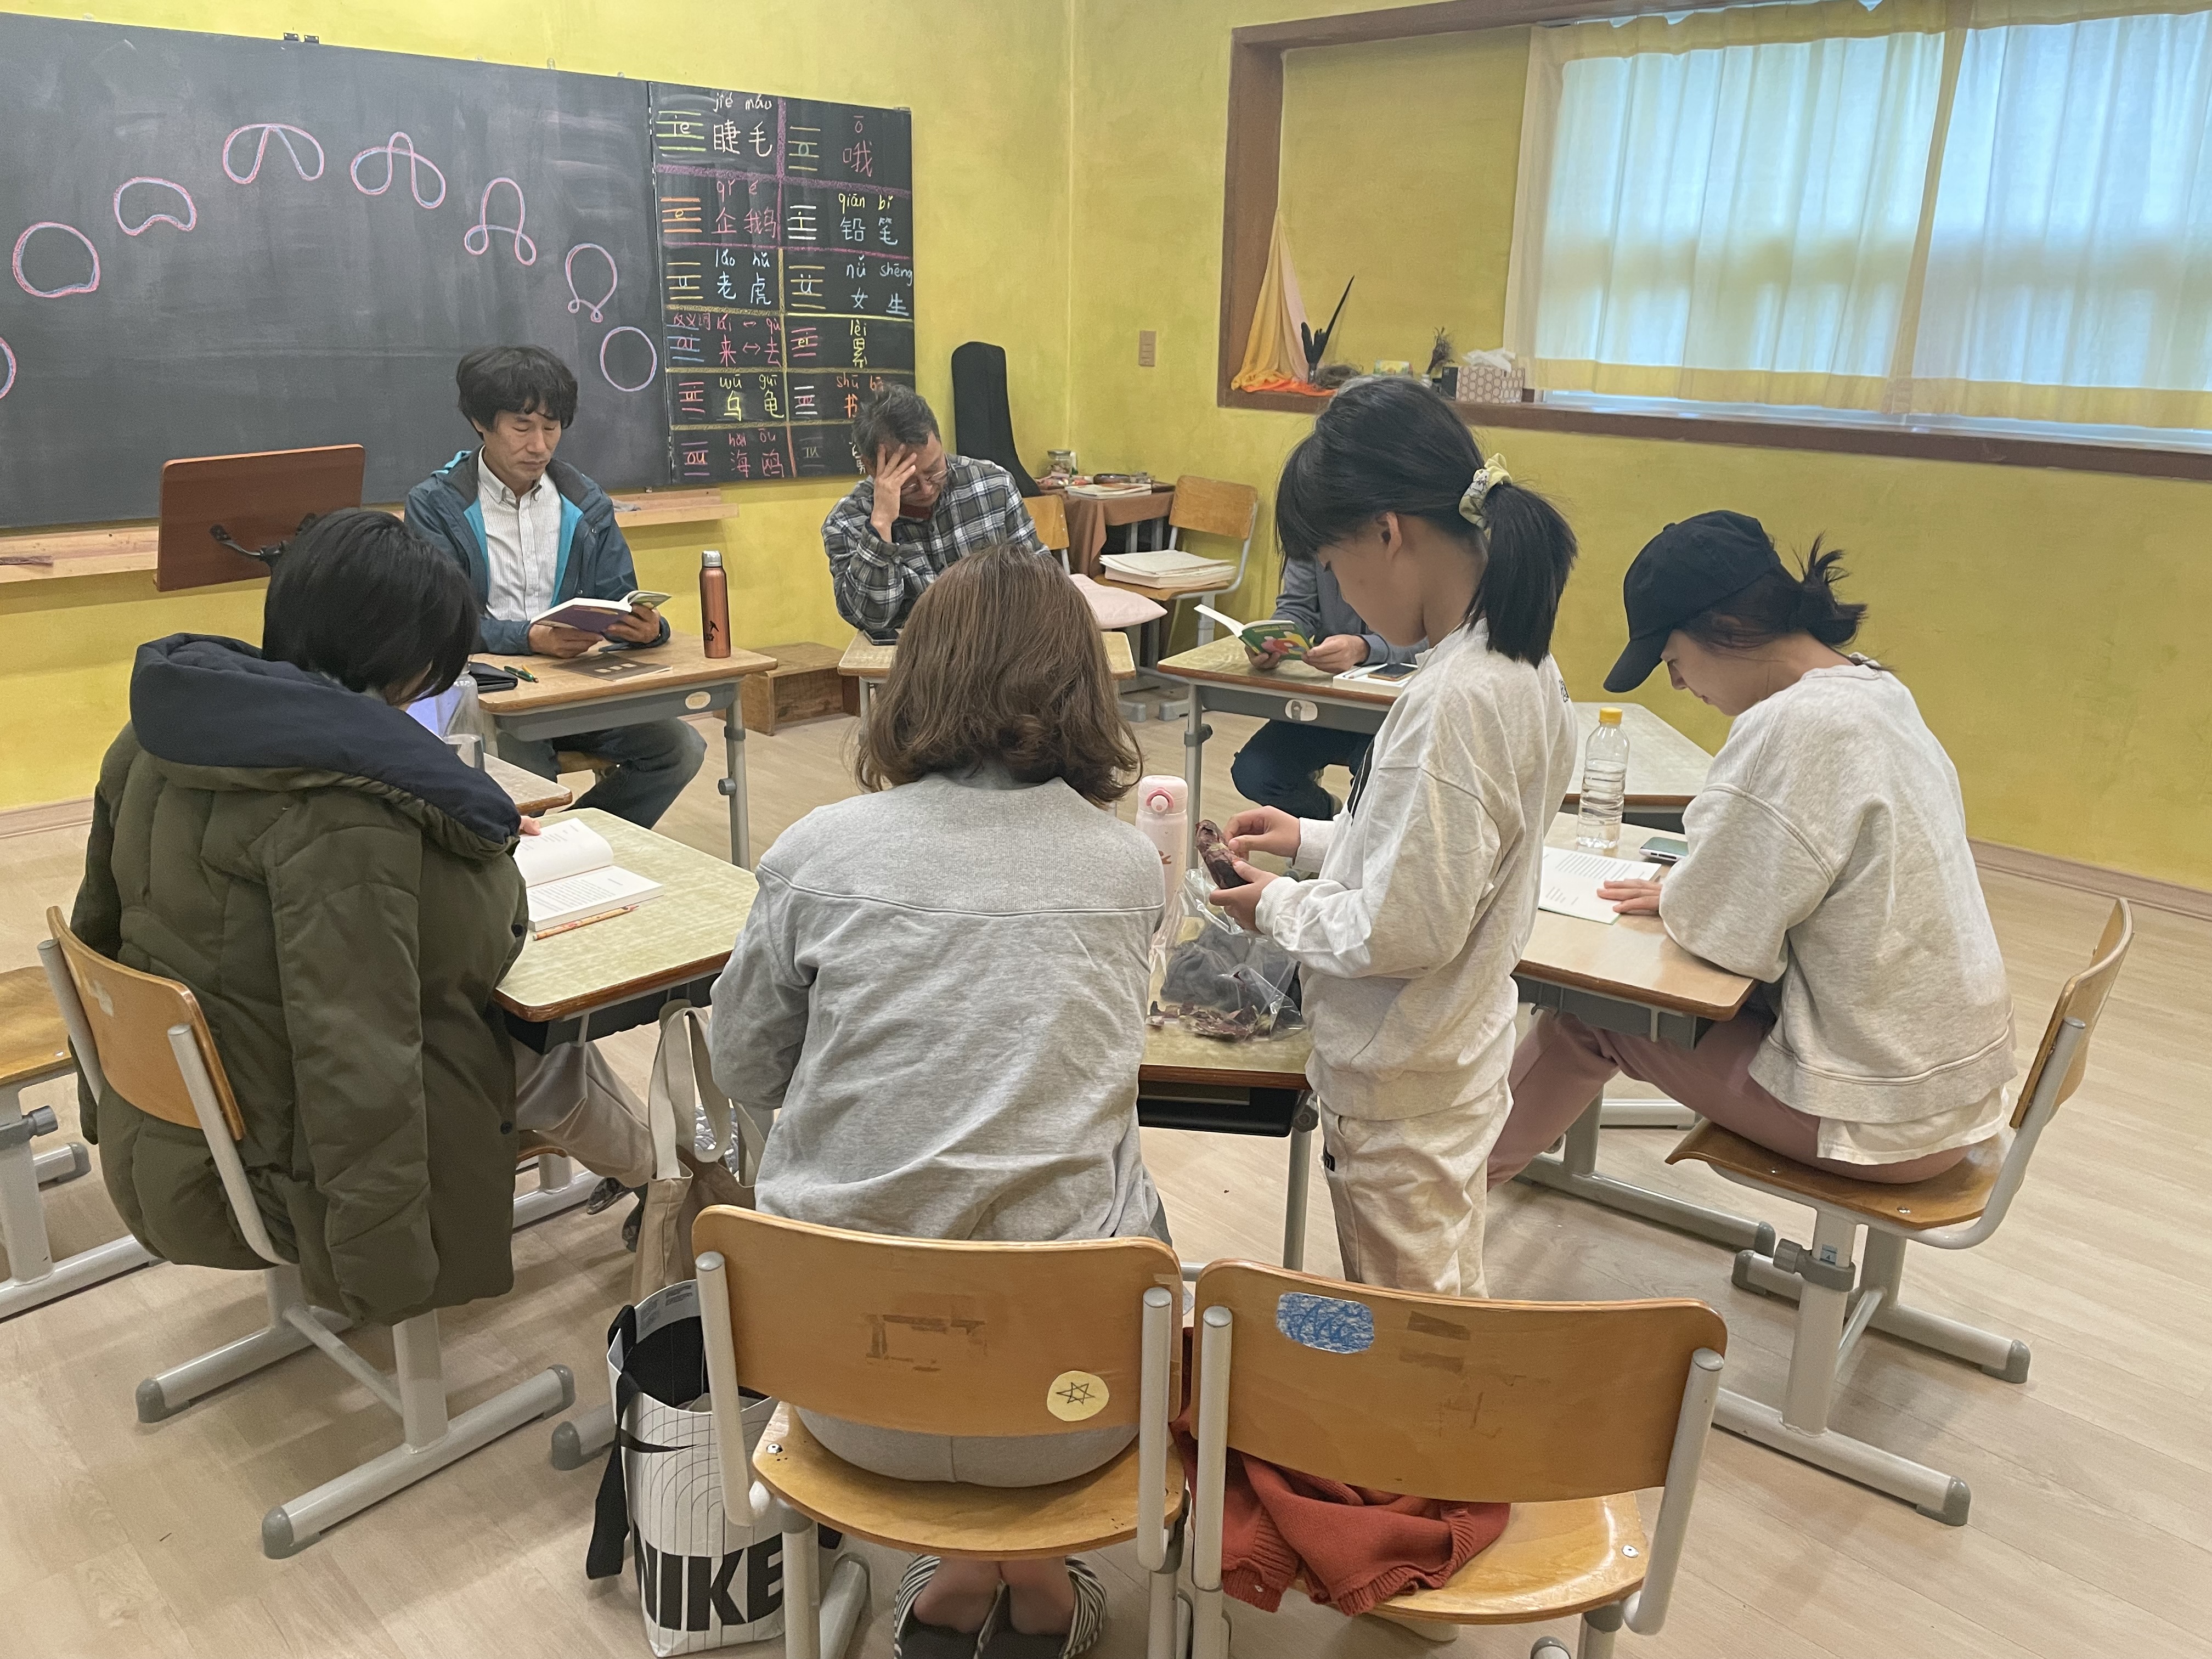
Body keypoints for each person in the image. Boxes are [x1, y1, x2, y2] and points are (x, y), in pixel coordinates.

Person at [710, 546, 1162, 1658]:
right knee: (1108, 1173)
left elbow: (745, 1065)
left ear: (912, 679)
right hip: (1071, 1403)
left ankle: (957, 1583)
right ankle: (1039, 1587)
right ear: (1084, 689)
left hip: (846, 1384)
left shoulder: (814, 852)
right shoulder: (1125, 869)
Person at [70, 510, 532, 1325]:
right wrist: (384, 1269)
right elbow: (363, 1054)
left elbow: (97, 931)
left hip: (168, 1129)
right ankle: (671, 1203)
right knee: (555, 1049)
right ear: (403, 659)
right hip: (274, 1182)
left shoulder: (152, 736)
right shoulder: (340, 817)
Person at [1490, 514, 2016, 1187]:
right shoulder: (1877, 691)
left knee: (1588, 1020)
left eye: (1673, 661)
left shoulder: (1791, 726)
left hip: (1882, 1116)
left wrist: (1689, 895)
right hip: (1949, 1084)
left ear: (1725, 628)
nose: (1679, 684)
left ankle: (1440, 1204)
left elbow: (1727, 940)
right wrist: (1698, 885)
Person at [1206, 378, 1579, 1299]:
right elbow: (1440, 856)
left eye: (1335, 564)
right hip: (1450, 1054)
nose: (1340, 591)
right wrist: (1311, 840)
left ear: (1387, 533)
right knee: (1440, 1300)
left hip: (1403, 1084)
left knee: (1412, 1333)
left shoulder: (1454, 700)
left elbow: (1402, 929)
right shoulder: (1520, 663)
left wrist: (1277, 906)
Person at [406, 345, 704, 829]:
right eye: (522, 427)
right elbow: (440, 624)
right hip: (489, 698)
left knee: (679, 748)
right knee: (531, 782)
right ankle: (542, 850)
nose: (539, 446)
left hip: (576, 691)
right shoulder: (437, 505)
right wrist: (529, 637)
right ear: (481, 422)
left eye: (551, 427)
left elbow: (617, 596)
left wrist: (648, 630)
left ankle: (579, 837)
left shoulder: (585, 501)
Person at [820, 385, 1046, 635]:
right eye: (908, 481)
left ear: (940, 442)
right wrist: (881, 525)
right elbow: (870, 619)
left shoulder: (994, 485)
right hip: (912, 653)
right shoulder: (847, 521)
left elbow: (1040, 577)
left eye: (934, 470)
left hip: (998, 640)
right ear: (871, 467)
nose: (926, 489)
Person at [1230, 557, 1424, 820]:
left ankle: (1351, 833)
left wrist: (1365, 648)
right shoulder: (1306, 543)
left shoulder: (1420, 545)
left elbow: (1438, 634)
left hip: (1396, 708)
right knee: (1255, 773)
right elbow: (1298, 606)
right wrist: (1273, 641)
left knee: (1373, 784)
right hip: (1328, 702)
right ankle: (1326, 818)